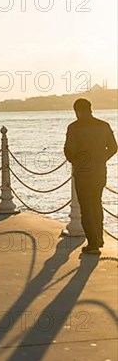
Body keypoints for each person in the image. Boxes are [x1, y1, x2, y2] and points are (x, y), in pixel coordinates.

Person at [64, 99, 117, 255]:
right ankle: (99, 238)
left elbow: (69, 151)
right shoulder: (104, 125)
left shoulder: (74, 128)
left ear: (76, 111)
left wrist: (76, 161)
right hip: (99, 171)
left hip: (82, 173)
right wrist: (101, 159)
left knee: (86, 208)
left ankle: (92, 244)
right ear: (90, 109)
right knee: (96, 204)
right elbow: (114, 147)